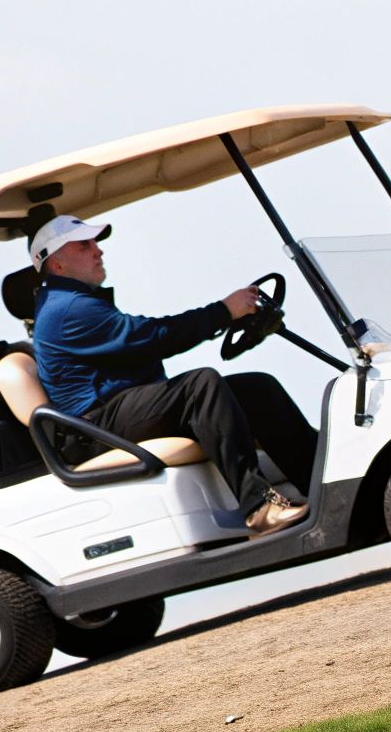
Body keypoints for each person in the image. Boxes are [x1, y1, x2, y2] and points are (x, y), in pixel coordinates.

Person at [28, 214, 311, 538]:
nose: (98, 251)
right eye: (84, 245)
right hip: (95, 428)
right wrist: (223, 311)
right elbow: (155, 336)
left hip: (117, 411)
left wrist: (223, 315)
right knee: (200, 387)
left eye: (95, 243)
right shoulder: (68, 309)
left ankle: (317, 482)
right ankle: (259, 506)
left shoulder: (71, 301)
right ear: (58, 264)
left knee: (256, 388)